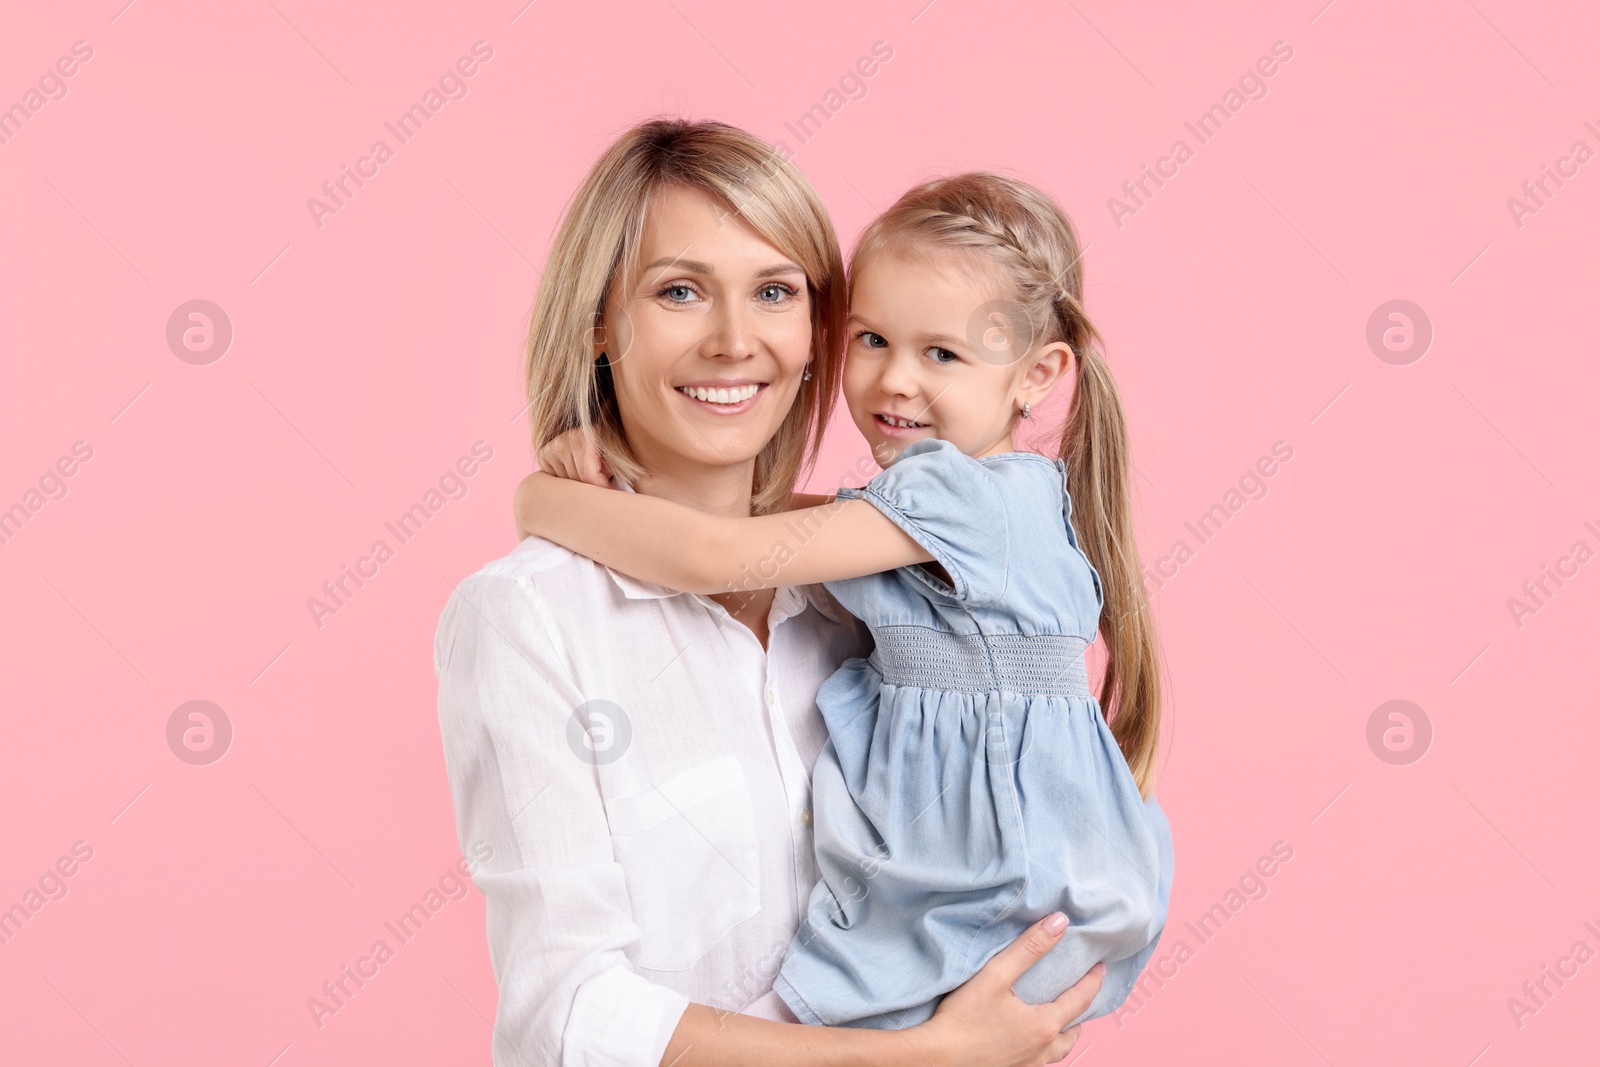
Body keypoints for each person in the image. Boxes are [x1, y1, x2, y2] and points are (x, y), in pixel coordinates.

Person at [436, 120, 1105, 1067]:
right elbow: (570, 1011)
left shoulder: (875, 600)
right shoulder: (531, 614)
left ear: (814, 329)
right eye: (678, 291)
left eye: (776, 292)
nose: (734, 340)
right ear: (598, 320)